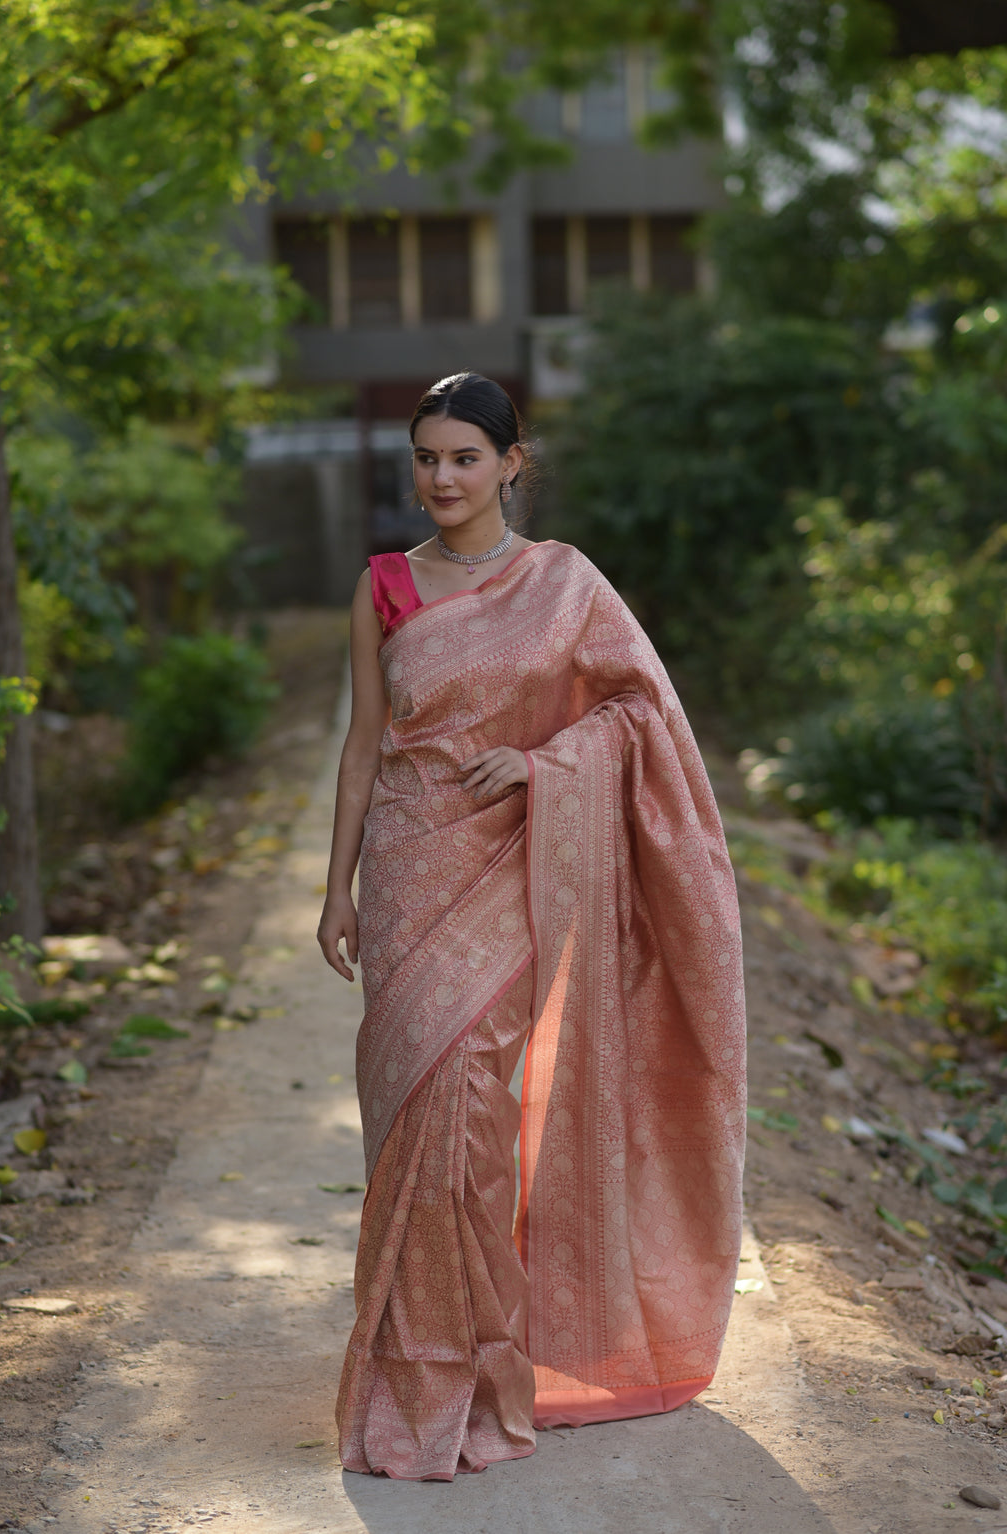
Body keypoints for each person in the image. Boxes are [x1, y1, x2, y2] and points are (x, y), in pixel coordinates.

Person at [317, 372, 746, 1482]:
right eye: (425, 458)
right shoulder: (384, 589)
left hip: (509, 863)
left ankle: (476, 1375)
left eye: (463, 457)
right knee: (410, 1123)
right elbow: (364, 745)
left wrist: (544, 762)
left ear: (513, 462)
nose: (440, 479)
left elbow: (636, 708)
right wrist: (335, 888)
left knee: (469, 1120)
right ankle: (410, 1374)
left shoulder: (564, 583)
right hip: (408, 867)